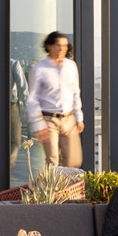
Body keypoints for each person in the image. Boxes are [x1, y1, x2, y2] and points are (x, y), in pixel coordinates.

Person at [26, 31, 84, 168]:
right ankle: (52, 189)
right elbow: (32, 100)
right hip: (48, 120)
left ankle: (67, 189)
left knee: (73, 161)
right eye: (58, 45)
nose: (62, 48)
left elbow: (76, 92)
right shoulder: (39, 69)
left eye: (64, 45)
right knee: (53, 160)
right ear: (49, 46)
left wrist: (79, 117)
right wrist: (38, 125)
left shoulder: (71, 66)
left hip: (69, 119)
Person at [9, 58, 28, 167]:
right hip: (11, 106)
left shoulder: (13, 64)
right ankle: (9, 165)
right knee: (15, 140)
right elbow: (23, 89)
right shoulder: (13, 64)